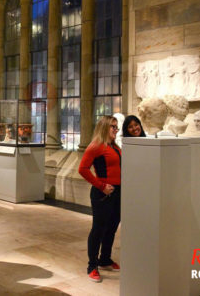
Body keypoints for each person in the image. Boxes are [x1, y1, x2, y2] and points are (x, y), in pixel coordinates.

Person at [78, 115, 122, 283]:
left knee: (111, 228)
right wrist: (101, 185)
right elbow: (83, 169)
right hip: (102, 194)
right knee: (98, 229)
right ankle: (92, 265)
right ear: (104, 127)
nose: (115, 130)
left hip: (117, 193)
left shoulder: (115, 147)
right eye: (113, 127)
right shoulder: (96, 146)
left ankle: (105, 259)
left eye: (116, 127)